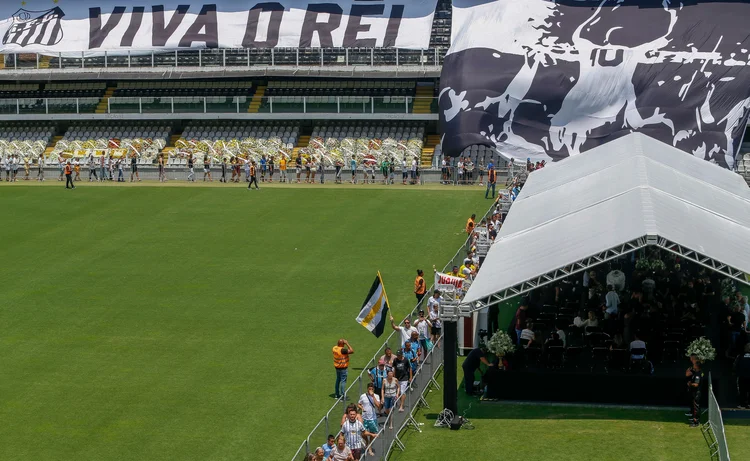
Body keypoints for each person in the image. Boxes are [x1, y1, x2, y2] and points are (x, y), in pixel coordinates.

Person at [357, 383, 381, 455]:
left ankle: (369, 446)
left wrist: (373, 396)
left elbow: (378, 406)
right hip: (364, 418)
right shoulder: (363, 396)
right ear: (367, 388)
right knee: (363, 433)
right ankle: (367, 442)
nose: (371, 390)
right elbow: (359, 404)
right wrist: (362, 408)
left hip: (372, 418)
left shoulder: (376, 396)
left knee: (373, 433)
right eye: (369, 388)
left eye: (372, 389)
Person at [686, 354, 704, 427]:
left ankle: (696, 422)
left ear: (697, 366)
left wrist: (690, 384)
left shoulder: (698, 374)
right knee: (695, 408)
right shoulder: (696, 372)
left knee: (696, 408)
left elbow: (696, 384)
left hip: (697, 393)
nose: (693, 366)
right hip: (695, 392)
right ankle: (694, 419)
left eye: (694, 365)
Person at [735, 344, 750, 409]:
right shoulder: (740, 356)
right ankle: (749, 404)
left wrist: (736, 373)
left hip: (742, 376)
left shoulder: (740, 356)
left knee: (742, 391)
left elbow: (735, 366)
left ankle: (743, 404)